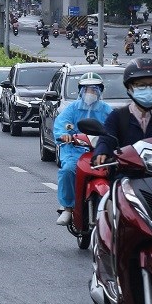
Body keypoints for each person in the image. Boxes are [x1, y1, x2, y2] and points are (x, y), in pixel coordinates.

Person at [54, 73, 113, 225]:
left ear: (100, 91)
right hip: (75, 150)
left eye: (94, 90)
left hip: (100, 151)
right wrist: (64, 135)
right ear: (80, 91)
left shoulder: (107, 110)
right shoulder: (72, 109)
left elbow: (116, 129)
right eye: (86, 89)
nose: (90, 93)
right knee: (68, 170)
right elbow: (61, 125)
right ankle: (68, 207)